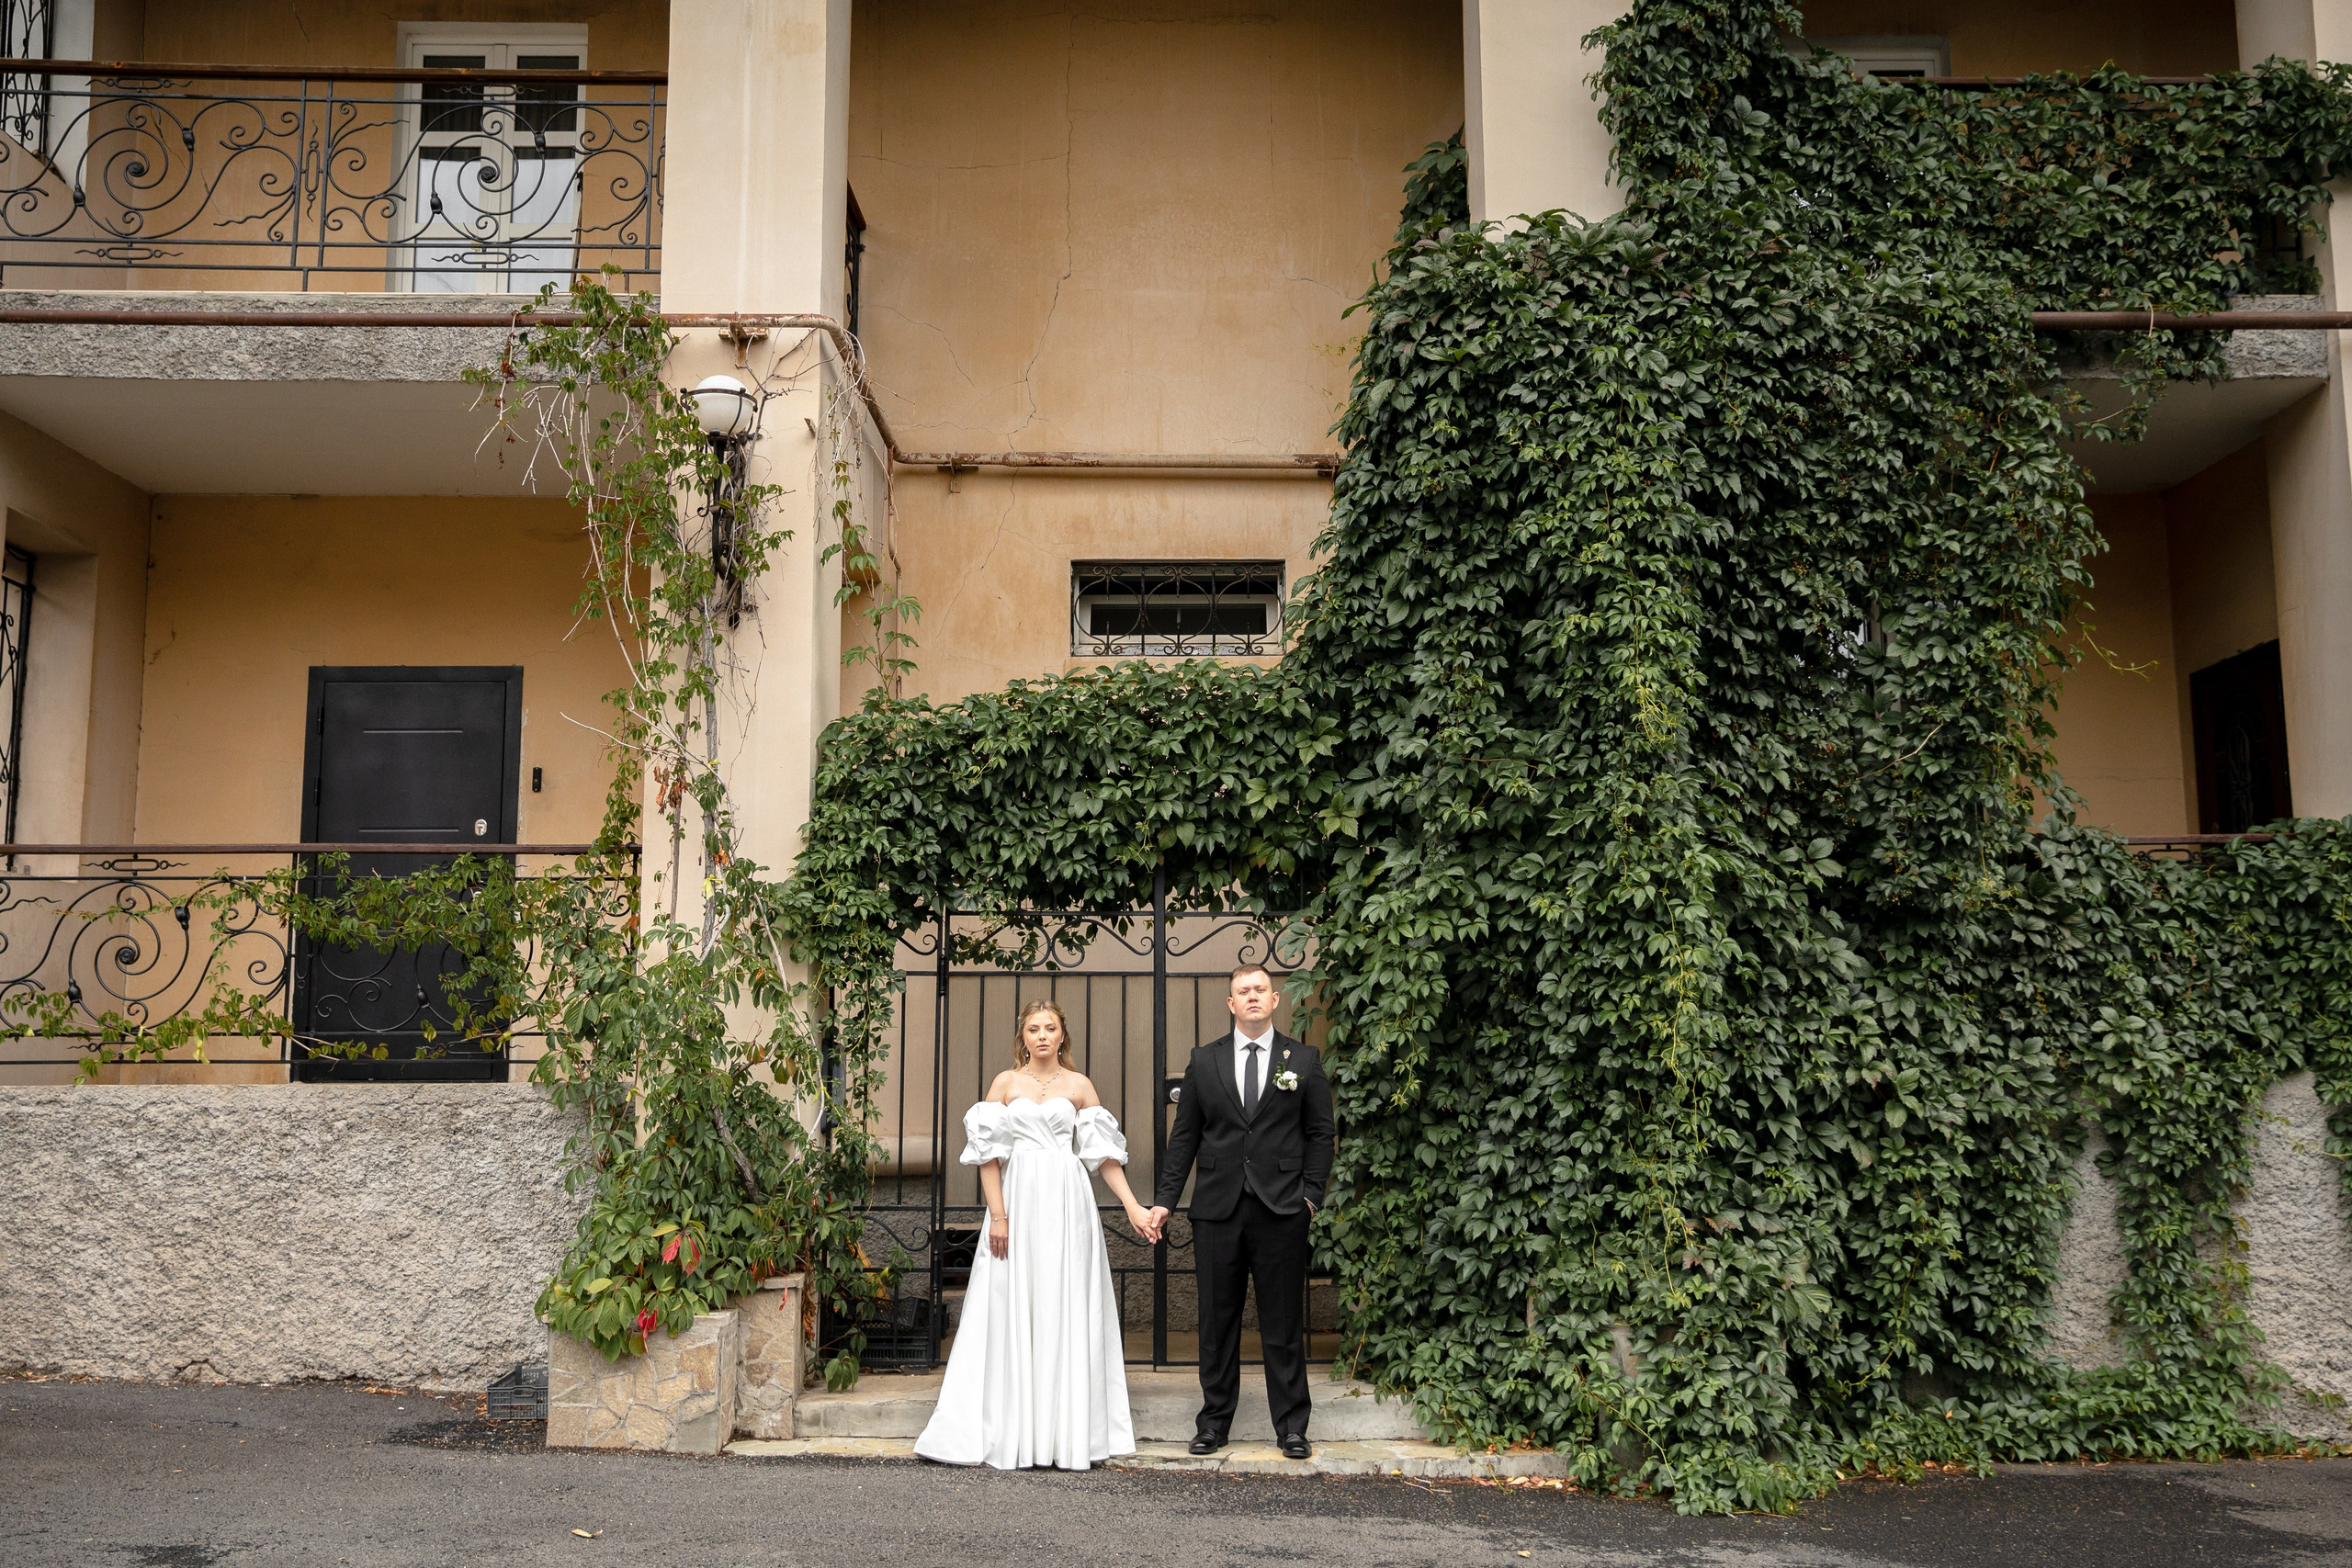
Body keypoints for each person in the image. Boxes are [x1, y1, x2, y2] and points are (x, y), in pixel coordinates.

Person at [913, 997, 1155, 1470]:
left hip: (1068, 1203)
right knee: (1012, 1300)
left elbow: (1102, 1155)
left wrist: (1133, 1206)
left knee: (1064, 1301)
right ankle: (1012, 1427)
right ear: (1022, 1037)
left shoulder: (1081, 1086)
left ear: (1062, 1034)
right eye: (1033, 1029)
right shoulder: (1005, 1084)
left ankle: (1065, 1434)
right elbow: (988, 1155)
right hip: (1018, 1201)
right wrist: (999, 1216)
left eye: (1049, 1028)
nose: (1042, 1035)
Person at [1147, 963, 1334, 1460]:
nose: (1252, 997)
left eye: (1260, 990)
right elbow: (1184, 1136)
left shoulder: (1303, 1058)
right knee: (1217, 1320)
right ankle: (1213, 1423)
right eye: (1242, 992)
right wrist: (1165, 1200)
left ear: (1275, 1000)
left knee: (1282, 1321)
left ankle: (1292, 1426)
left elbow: (1321, 1133)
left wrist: (1311, 1196)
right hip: (1217, 1208)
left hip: (1281, 1209)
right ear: (1230, 1004)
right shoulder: (1204, 1061)